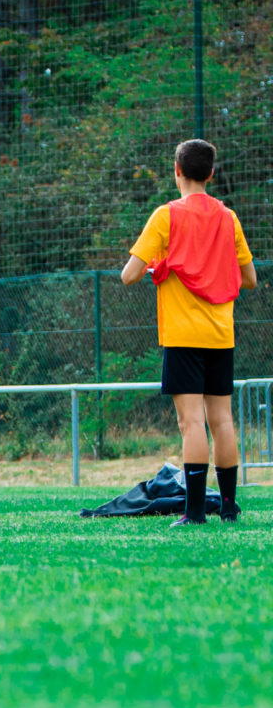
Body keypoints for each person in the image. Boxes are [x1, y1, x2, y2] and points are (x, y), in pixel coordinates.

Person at [121, 138, 256, 526]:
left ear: (177, 171)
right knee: (223, 421)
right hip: (220, 334)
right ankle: (229, 507)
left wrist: (160, 266)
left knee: (191, 423)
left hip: (182, 335)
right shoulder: (228, 218)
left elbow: (129, 275)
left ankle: (195, 512)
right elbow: (249, 278)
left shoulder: (166, 216)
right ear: (211, 174)